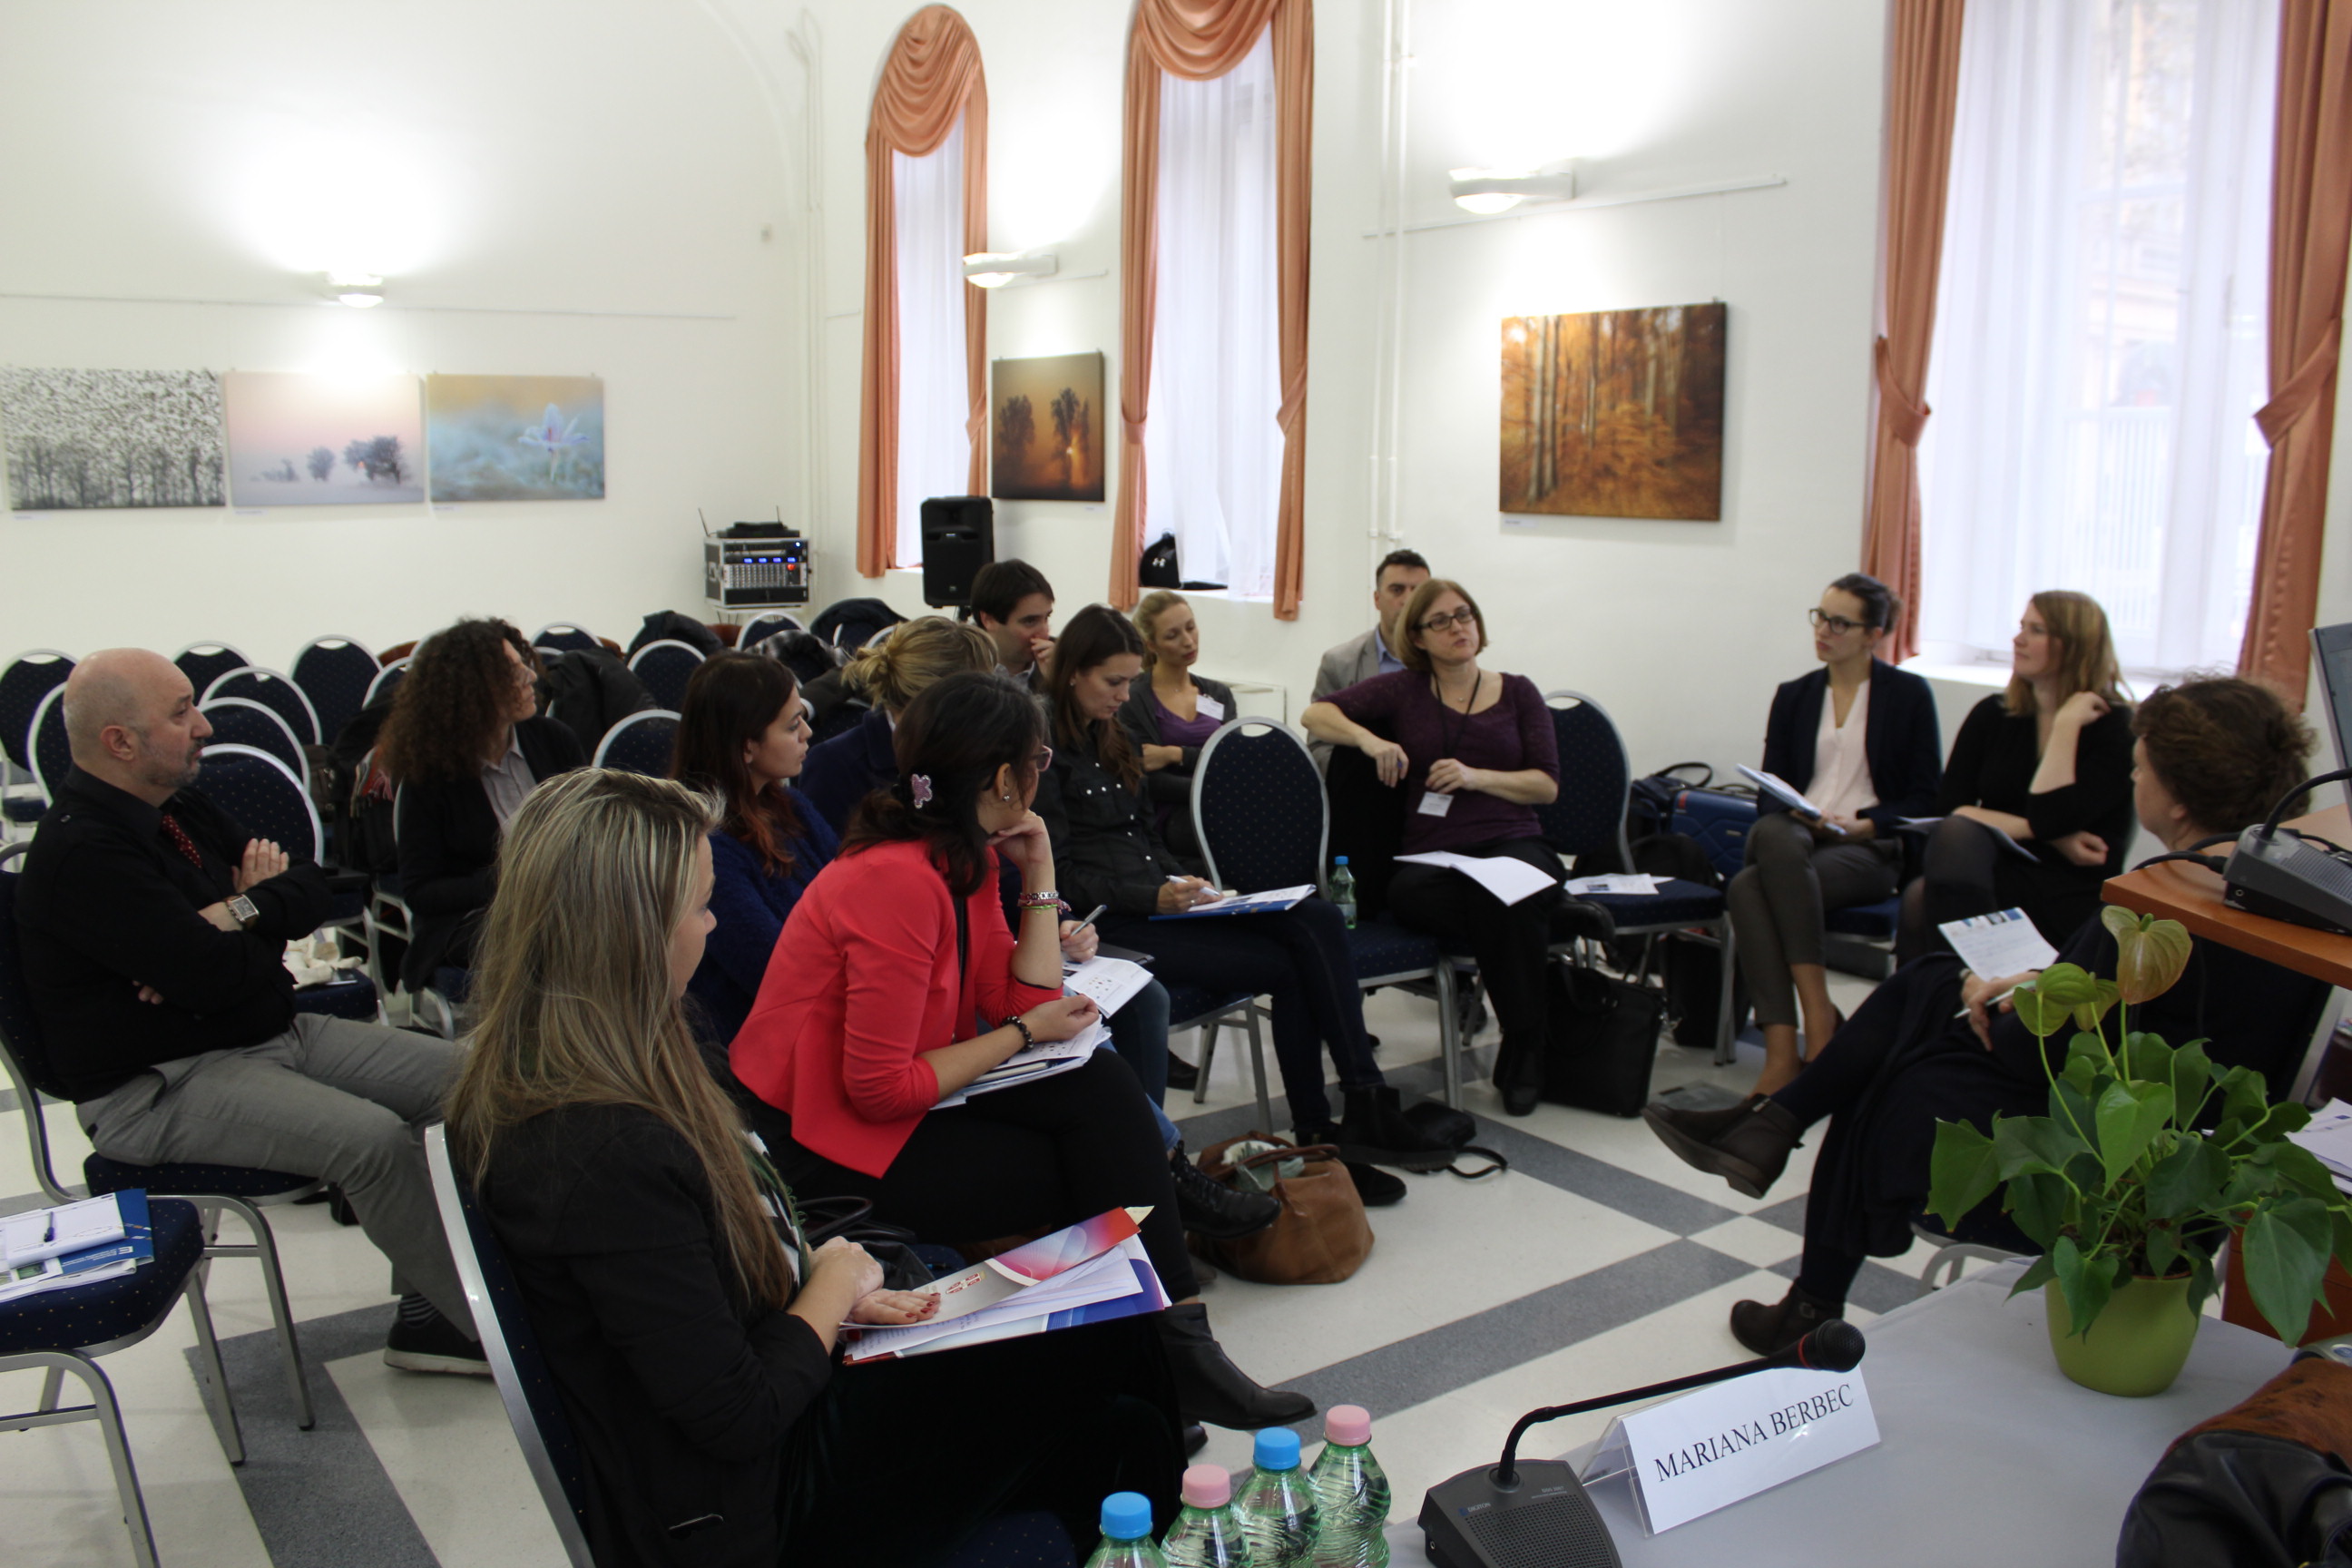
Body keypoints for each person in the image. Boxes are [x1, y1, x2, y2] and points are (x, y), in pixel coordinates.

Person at [447, 769, 1184, 1566]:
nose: (711, 922)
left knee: (1111, 1353)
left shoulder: (591, 1075)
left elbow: (693, 1302)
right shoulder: (601, 1148)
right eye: (698, 906)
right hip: (756, 1503)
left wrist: (837, 1294)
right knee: (1120, 1393)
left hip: (772, 1405)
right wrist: (833, 1286)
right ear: (632, 932)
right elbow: (738, 1415)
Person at [1644, 678, 2331, 1354]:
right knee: (1930, 992)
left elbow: (2031, 1048)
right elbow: (2128, 1018)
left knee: (1891, 1072)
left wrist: (2006, 1003)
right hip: (2186, 1146)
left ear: (2177, 798)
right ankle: (1779, 1147)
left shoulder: (2159, 903)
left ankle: (1789, 1195)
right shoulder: (2295, 896)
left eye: (2139, 768)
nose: (2132, 780)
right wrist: (2034, 985)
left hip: (2097, 1168)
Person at [729, 671, 1305, 1431]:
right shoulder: (894, 880)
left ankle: (1169, 1349)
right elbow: (886, 1086)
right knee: (1090, 1170)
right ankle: (1157, 1359)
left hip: (876, 1108)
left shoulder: (956, 855)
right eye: (1039, 759)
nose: (1043, 772)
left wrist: (1039, 869)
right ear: (1005, 778)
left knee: (1098, 1091)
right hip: (819, 1144)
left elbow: (1019, 996)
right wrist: (1029, 1036)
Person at [15, 649, 480, 1374]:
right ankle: (478, 1331)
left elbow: (316, 887)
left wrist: (233, 914)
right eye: (181, 713)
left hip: (262, 1031)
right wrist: (250, 921)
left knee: (474, 1082)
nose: (204, 726)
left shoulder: (176, 807)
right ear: (120, 741)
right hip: (158, 1086)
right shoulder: (84, 853)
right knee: (372, 1141)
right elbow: (216, 976)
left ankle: (432, 1306)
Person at [1041, 606, 1446, 1190]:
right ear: (1074, 672)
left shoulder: (1116, 735)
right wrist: (1155, 894)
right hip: (1115, 925)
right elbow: (1061, 876)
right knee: (1288, 965)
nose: (1125, 694)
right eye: (1114, 682)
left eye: (1130, 680)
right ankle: (1319, 1130)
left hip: (1161, 901)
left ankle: (1363, 1098)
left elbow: (1146, 838)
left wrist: (1191, 883)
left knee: (1315, 917)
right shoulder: (1044, 749)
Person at [799, 616, 1203, 1105]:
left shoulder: (973, 849)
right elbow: (883, 1084)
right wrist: (1026, 1027)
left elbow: (1019, 985)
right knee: (1094, 1072)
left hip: (986, 958)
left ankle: (1160, 1149)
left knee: (1102, 1062)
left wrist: (1044, 892)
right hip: (896, 1033)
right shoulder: (895, 857)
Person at [1301, 579, 1566, 1117]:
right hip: (1435, 855)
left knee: (1506, 889)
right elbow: (1316, 715)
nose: (1457, 628)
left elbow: (1546, 785)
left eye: (1464, 615)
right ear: (1417, 637)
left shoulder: (1518, 692)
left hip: (1513, 839)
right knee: (1434, 897)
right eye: (1440, 621)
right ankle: (1546, 934)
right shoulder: (1405, 690)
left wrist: (1476, 777)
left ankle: (1523, 1042)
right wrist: (1371, 740)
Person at [1732, 573, 1943, 1093]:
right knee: (1776, 835)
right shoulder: (1796, 695)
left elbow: (1926, 796)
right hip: (1799, 835)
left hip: (1868, 846)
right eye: (1821, 618)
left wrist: (1869, 822)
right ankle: (1817, 1016)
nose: (1823, 631)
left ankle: (1783, 1051)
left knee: (1747, 888)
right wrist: (1801, 812)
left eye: (1840, 623)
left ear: (1874, 635)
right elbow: (1770, 790)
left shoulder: (1908, 695)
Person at [1897, 590, 2134, 960]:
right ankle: (1954, 986)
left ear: (2074, 645)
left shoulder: (2114, 727)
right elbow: (1951, 808)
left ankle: (1958, 985)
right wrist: (2055, 837)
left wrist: (2066, 726)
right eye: (2022, 626)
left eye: (2036, 630)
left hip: (2069, 882)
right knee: (1932, 875)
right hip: (1996, 866)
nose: (2017, 639)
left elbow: (2049, 816)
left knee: (1925, 895)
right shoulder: (1993, 714)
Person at [376, 616, 584, 994]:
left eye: (524, 666)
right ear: (473, 691)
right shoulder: (430, 775)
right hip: (474, 919)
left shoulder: (554, 740)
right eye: (513, 672)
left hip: (562, 904)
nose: (531, 677)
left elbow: (588, 830)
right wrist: (514, 877)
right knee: (557, 938)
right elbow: (421, 891)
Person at [669, 653, 837, 1048]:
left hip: (819, 1014)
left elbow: (855, 897)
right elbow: (778, 973)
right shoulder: (705, 845)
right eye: (792, 726)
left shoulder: (789, 807)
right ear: (747, 746)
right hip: (752, 1044)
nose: (808, 732)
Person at [795, 616, 999, 838]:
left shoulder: (979, 751)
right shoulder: (834, 765)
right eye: (974, 700)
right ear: (932, 701)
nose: (983, 713)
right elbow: (826, 855)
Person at [1119, 590, 1236, 869]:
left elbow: (1232, 762)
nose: (1188, 641)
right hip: (1173, 817)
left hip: (1221, 805)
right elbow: (1148, 779)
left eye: (1191, 627)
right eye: (1172, 636)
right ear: (1152, 644)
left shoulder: (1218, 694)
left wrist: (1176, 754)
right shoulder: (1134, 699)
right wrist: (1213, 788)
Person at [1308, 548, 1431, 769]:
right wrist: (1358, 775)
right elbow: (1319, 746)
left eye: (1418, 591)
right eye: (1397, 590)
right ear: (1377, 599)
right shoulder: (1339, 663)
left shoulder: (1445, 661)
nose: (1408, 600)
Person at [968, 557, 1056, 691]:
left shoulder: (1066, 663)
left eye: (1046, 618)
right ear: (989, 620)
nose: (1045, 634)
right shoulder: (957, 667)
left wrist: (1059, 684)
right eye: (1030, 621)